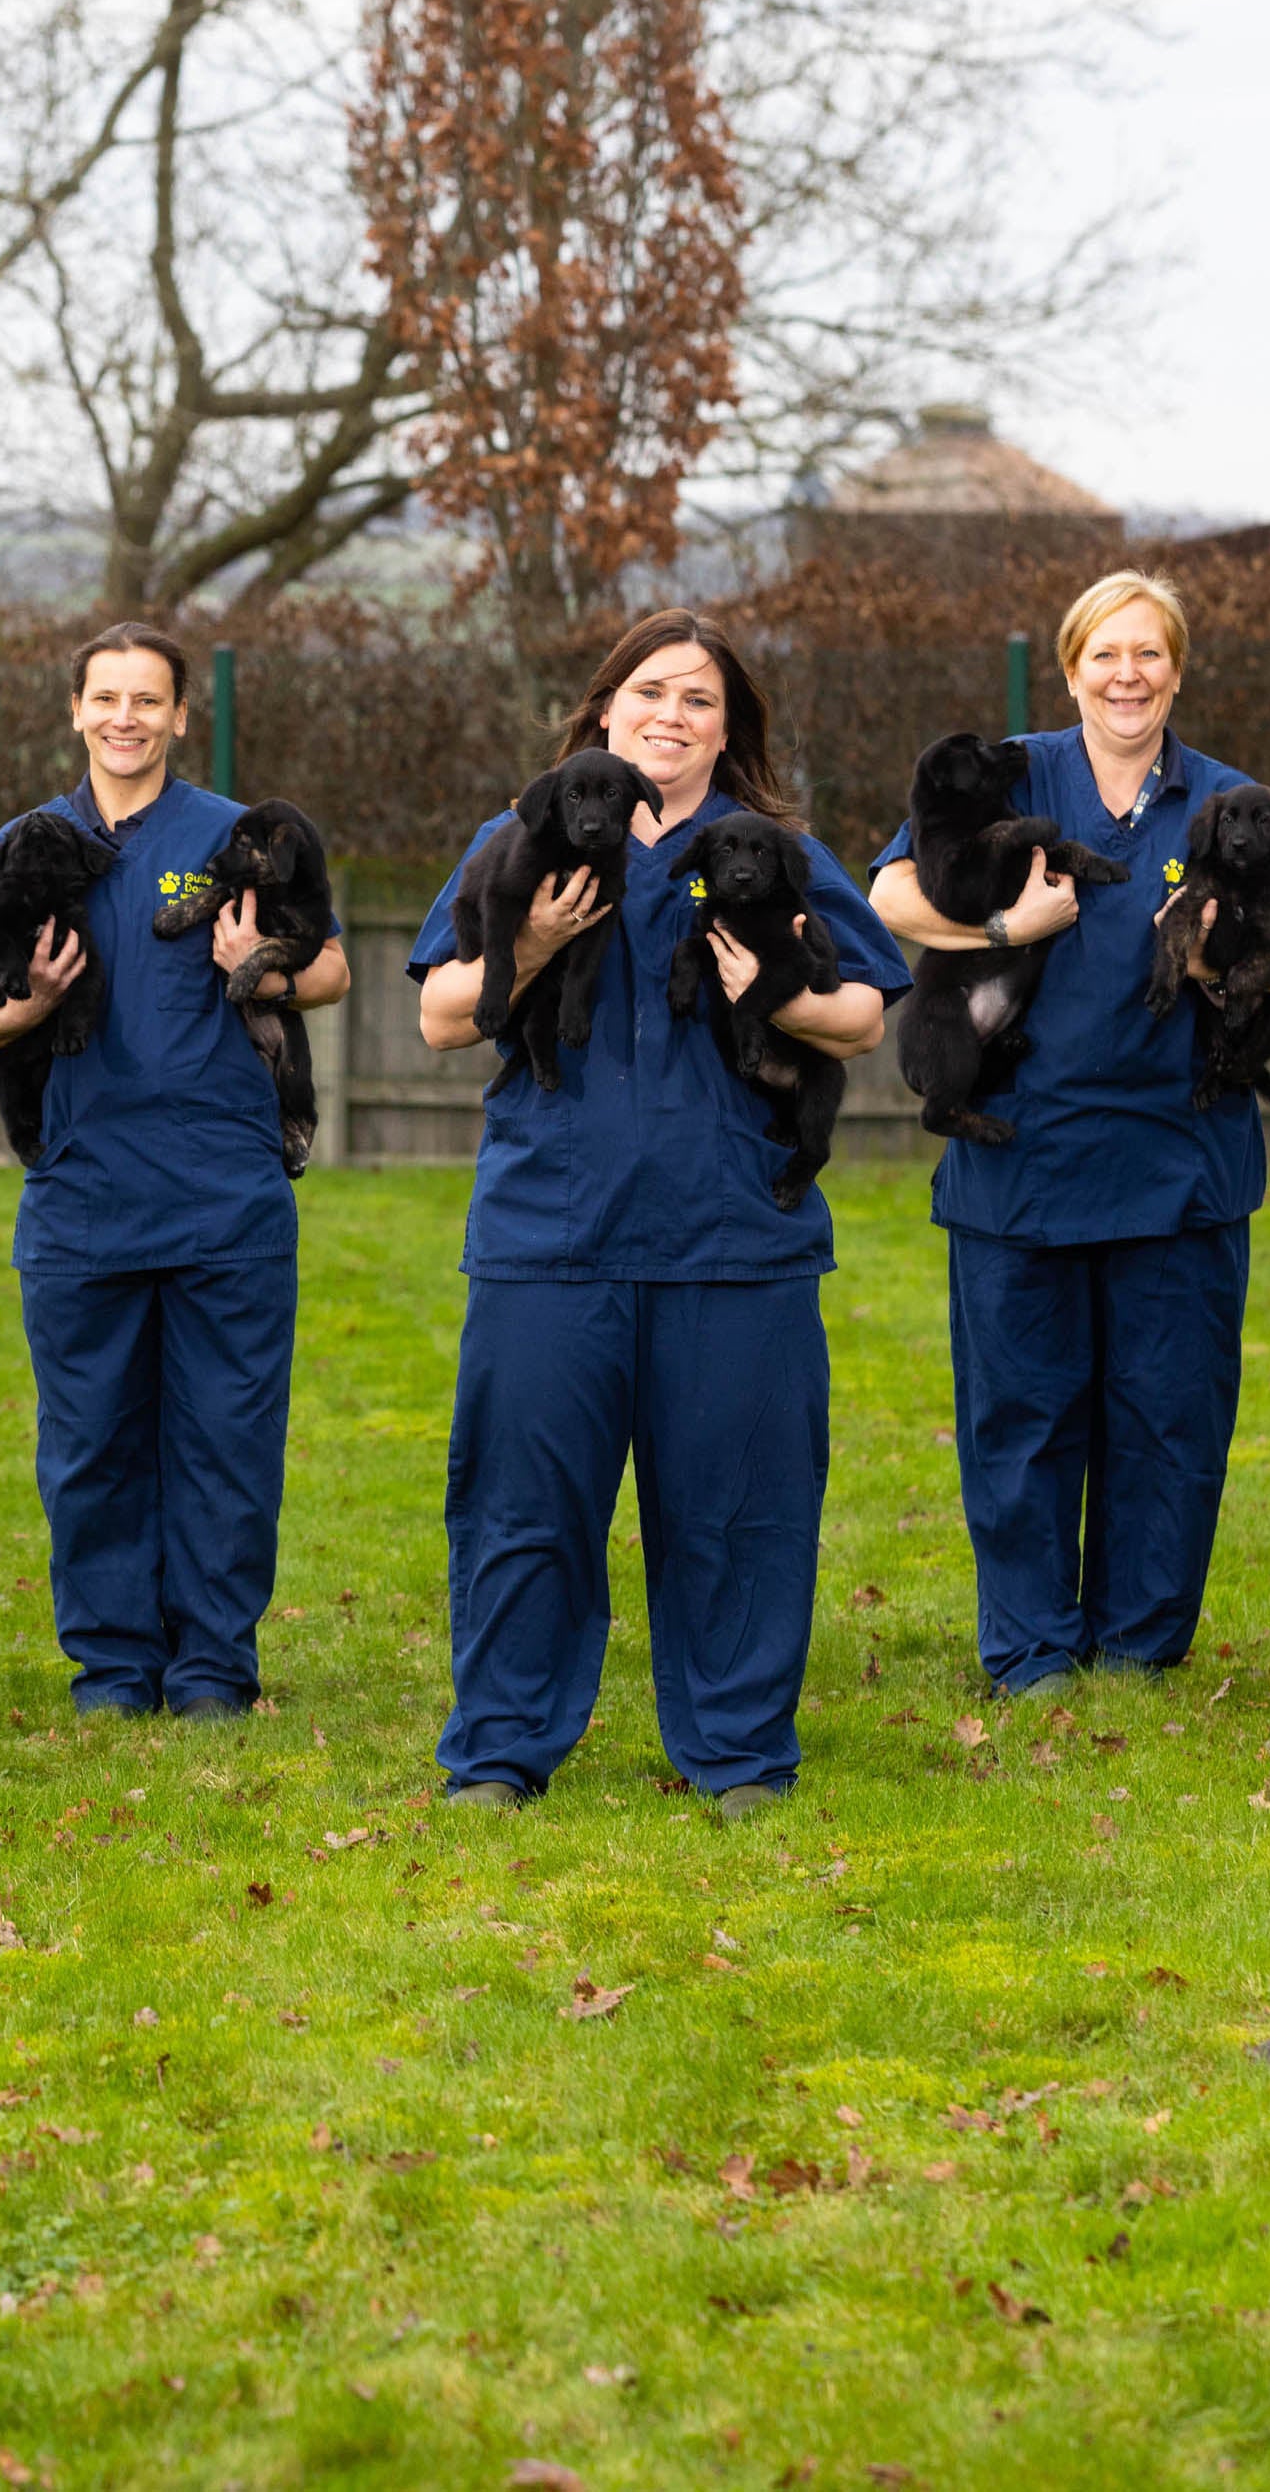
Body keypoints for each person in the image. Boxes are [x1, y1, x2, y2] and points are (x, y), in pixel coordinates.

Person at [410, 609, 905, 1817]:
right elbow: (437, 1015)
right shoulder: (523, 834)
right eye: (650, 692)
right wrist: (526, 945)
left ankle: (736, 1753)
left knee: (740, 1510)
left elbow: (864, 1016)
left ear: (727, 731)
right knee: (526, 1504)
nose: (670, 716)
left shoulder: (774, 850)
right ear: (603, 709)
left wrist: (775, 995)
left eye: (699, 700)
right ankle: (501, 1751)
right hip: (550, 1233)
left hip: (733, 1235)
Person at [867, 571, 1270, 1694]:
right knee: (1021, 1419)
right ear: (1071, 666)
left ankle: (1139, 1647)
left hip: (1178, 1161)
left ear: (1176, 671)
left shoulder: (1230, 800)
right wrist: (1002, 921)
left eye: (1148, 656)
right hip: (1021, 1157)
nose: (1125, 676)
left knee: (1167, 1418)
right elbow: (888, 892)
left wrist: (1234, 953)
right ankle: (1033, 1652)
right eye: (1104, 655)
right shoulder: (1012, 772)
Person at [0, 623, 349, 1719]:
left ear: (178, 716)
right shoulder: (28, 845)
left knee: (225, 1441)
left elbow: (337, 969)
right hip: (81, 1197)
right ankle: (114, 1668)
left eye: (147, 700)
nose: (125, 717)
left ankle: (213, 1665)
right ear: (74, 711)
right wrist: (22, 1002)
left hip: (224, 1195)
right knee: (90, 1447)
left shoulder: (238, 836)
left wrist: (256, 973)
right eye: (104, 698)